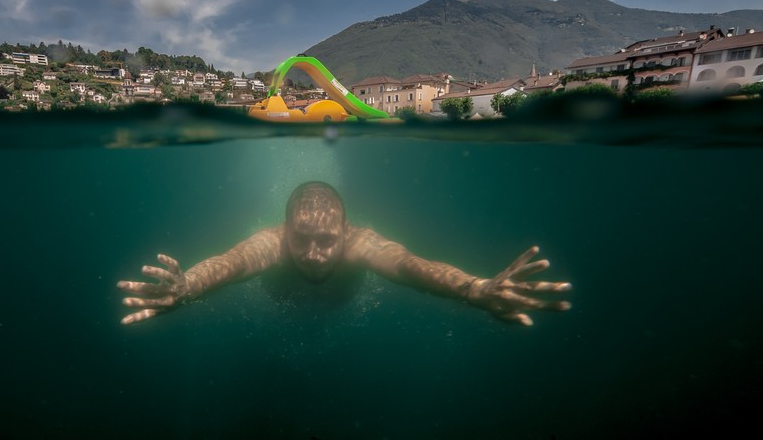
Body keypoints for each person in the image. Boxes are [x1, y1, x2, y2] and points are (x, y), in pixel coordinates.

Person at [118, 181, 571, 326]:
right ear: (285, 231)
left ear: (346, 232)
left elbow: (411, 266)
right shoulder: (271, 242)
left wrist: (475, 288)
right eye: (302, 239)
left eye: (327, 241)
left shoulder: (362, 243)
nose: (314, 255)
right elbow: (232, 262)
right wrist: (187, 286)